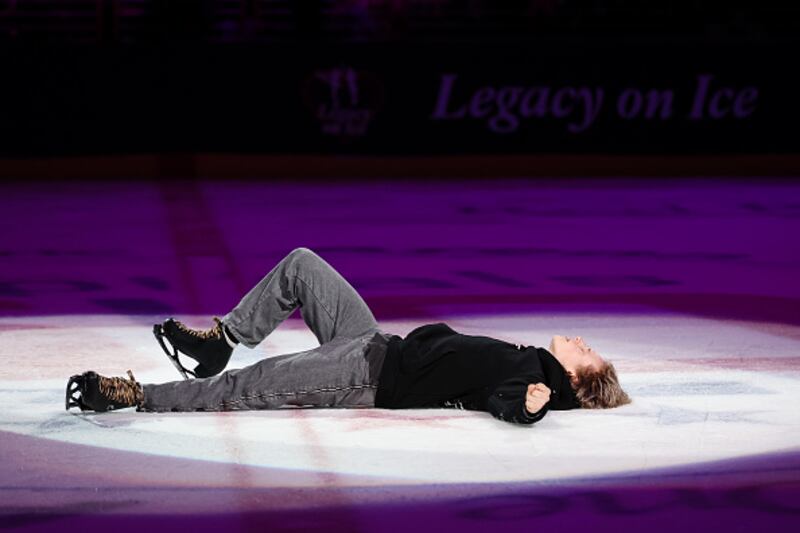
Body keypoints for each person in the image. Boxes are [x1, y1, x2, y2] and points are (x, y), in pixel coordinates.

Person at [65, 247, 631, 424]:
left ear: (582, 377)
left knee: (254, 382)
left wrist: (530, 408)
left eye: (589, 351)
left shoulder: (532, 378)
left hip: (365, 373)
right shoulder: (529, 358)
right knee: (302, 265)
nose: (581, 339)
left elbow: (502, 401)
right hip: (373, 341)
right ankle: (221, 339)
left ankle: (138, 395)